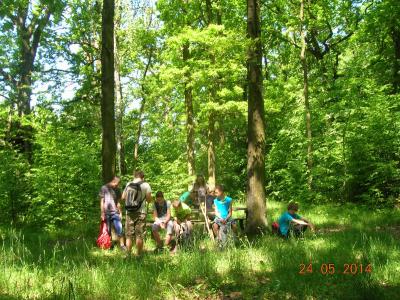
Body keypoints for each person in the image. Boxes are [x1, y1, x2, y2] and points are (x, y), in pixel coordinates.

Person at [122, 170, 152, 256]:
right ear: (143, 177)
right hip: (141, 212)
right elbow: (149, 200)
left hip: (129, 212)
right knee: (139, 234)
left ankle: (128, 254)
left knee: (128, 235)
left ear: (134, 176)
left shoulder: (128, 184)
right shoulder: (146, 185)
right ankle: (139, 255)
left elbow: (123, 197)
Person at [99, 176, 125, 250]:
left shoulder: (117, 190)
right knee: (108, 231)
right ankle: (109, 245)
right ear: (113, 181)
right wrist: (102, 213)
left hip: (115, 213)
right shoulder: (104, 188)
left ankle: (122, 246)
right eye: (117, 184)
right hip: (106, 213)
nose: (117, 186)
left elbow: (118, 202)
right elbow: (102, 202)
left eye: (118, 185)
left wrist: (120, 213)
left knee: (119, 229)